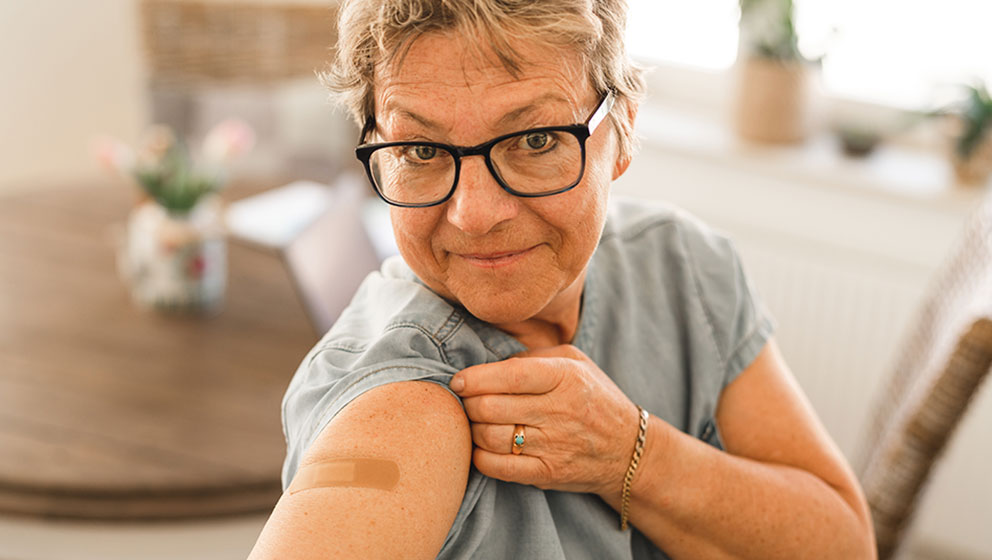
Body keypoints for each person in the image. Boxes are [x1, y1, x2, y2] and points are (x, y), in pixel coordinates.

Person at [249, 1, 876, 558]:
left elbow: (845, 542)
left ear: (622, 131)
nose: (474, 215)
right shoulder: (401, 402)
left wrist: (631, 453)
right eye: (421, 151)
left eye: (536, 138)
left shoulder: (681, 267)